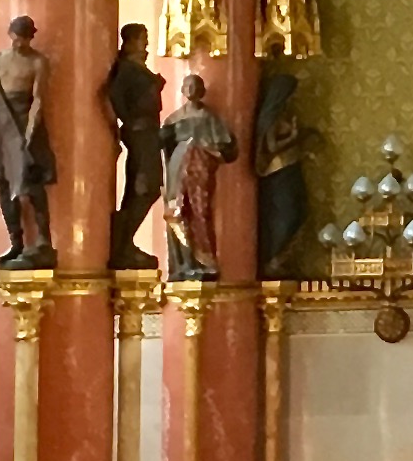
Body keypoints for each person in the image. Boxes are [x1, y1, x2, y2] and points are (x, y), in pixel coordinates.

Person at [0, 14, 56, 266]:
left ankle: (43, 239)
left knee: (28, 182)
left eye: (23, 37)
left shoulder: (37, 62)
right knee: (4, 182)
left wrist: (30, 131)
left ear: (30, 37)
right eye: (15, 36)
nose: (18, 42)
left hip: (22, 120)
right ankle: (16, 240)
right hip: (0, 123)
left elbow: (38, 99)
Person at [161, 70, 238, 277]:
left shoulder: (210, 118)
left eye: (195, 85)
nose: (191, 89)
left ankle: (203, 260)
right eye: (187, 85)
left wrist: (205, 149)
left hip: (200, 173)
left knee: (200, 212)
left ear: (202, 91)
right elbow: (163, 147)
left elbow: (228, 149)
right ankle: (182, 263)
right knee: (177, 211)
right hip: (177, 171)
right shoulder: (174, 120)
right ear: (182, 90)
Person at [102, 21, 163, 268]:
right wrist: (126, 121)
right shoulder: (127, 68)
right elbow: (113, 95)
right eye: (141, 38)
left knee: (148, 186)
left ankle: (125, 241)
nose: (145, 43)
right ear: (128, 42)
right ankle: (123, 242)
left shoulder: (137, 66)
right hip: (140, 131)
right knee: (144, 185)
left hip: (149, 130)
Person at [253, 60, 310, 271]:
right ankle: (273, 257)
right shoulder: (271, 117)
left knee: (299, 210)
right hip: (278, 170)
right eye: (290, 93)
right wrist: (293, 137)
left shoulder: (283, 113)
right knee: (288, 212)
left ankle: (280, 258)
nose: (292, 97)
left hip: (290, 167)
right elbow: (271, 146)